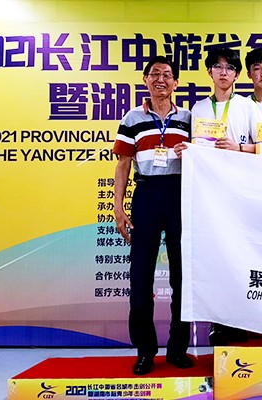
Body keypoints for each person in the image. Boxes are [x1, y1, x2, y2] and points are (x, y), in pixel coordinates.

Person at [113, 55, 193, 375]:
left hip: (180, 195)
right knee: (141, 275)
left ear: (176, 83)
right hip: (146, 194)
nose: (161, 79)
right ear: (145, 80)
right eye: (155, 74)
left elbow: (205, 159)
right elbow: (123, 164)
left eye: (167, 75)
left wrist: (192, 153)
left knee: (182, 276)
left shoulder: (188, 119)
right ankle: (145, 351)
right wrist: (118, 207)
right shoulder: (132, 118)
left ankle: (178, 349)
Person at [189, 48, 262, 345]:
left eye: (229, 67)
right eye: (217, 67)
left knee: (240, 257)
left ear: (237, 74)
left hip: (240, 192)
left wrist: (238, 148)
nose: (223, 72)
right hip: (209, 195)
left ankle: (241, 320)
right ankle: (218, 323)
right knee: (215, 258)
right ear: (209, 72)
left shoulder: (248, 107)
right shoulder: (198, 109)